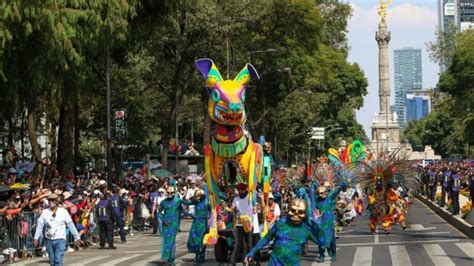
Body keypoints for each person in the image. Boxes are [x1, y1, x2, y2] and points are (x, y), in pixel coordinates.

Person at [244, 198, 319, 266]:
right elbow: (266, 238)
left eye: (300, 212)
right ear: (288, 210)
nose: (296, 215)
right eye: (293, 210)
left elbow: (322, 242)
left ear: (305, 214)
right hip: (275, 262)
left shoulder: (306, 229)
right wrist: (253, 251)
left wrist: (318, 226)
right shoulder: (280, 223)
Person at [34, 194, 82, 266]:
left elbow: (70, 224)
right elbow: (39, 225)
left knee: (58, 259)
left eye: (53, 200)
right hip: (49, 240)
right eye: (49, 200)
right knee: (52, 262)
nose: (51, 202)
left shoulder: (63, 212)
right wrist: (36, 238)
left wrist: (77, 237)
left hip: (60, 240)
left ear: (57, 201)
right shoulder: (45, 212)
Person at [157, 184, 193, 264]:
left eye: (172, 193)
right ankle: (167, 258)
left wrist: (191, 215)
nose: (170, 194)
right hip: (166, 224)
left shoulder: (177, 201)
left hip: (174, 224)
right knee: (167, 241)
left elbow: (182, 210)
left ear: (174, 192)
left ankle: (171, 259)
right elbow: (158, 213)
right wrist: (163, 220)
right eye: (168, 193)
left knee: (172, 241)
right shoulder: (163, 202)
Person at [224, 183, 253, 265]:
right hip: (239, 225)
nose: (240, 191)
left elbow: (255, 208)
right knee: (237, 244)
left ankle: (249, 261)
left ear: (245, 189)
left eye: (241, 189)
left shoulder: (250, 198)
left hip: (248, 224)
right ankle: (232, 262)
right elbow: (232, 209)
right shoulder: (236, 199)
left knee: (248, 244)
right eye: (239, 189)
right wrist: (225, 207)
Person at [184, 188, 210, 263]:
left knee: (201, 241)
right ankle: (197, 255)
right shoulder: (196, 201)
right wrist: (179, 199)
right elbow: (186, 203)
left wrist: (211, 223)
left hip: (203, 223)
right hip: (195, 223)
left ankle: (201, 256)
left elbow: (212, 213)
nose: (198, 199)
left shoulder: (207, 202)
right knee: (193, 240)